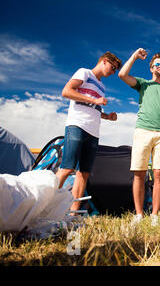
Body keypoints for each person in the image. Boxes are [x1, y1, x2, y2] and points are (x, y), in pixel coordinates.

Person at [118, 48, 160, 226]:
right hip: (143, 131)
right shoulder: (143, 84)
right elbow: (122, 75)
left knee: (158, 174)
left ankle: (155, 216)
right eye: (157, 64)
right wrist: (134, 56)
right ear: (151, 68)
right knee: (140, 173)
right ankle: (139, 214)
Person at [56, 51, 122, 212]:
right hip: (77, 125)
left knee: (84, 173)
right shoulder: (84, 72)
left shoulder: (101, 86)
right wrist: (94, 100)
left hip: (93, 132)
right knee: (66, 168)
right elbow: (67, 91)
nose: (113, 72)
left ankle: (73, 212)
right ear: (105, 61)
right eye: (113, 68)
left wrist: (107, 116)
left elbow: (93, 107)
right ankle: (44, 205)